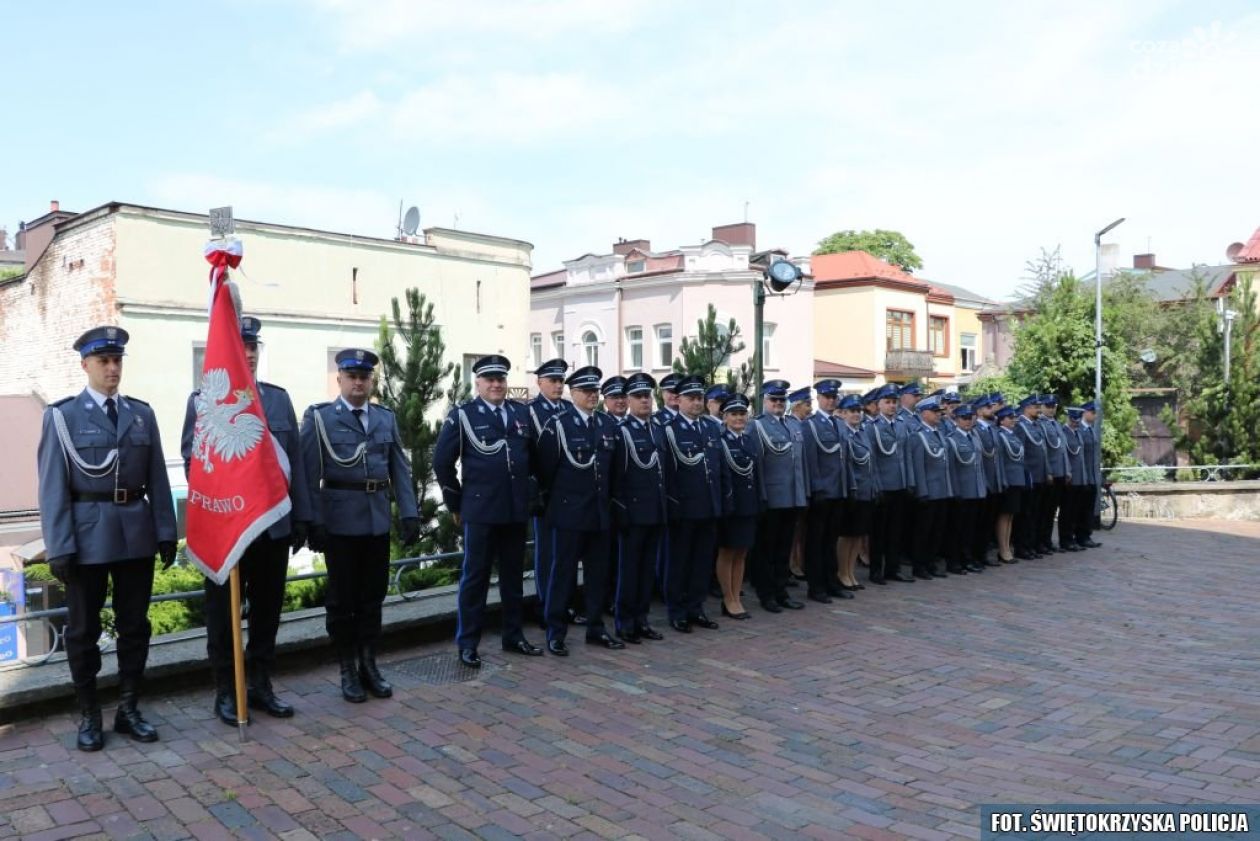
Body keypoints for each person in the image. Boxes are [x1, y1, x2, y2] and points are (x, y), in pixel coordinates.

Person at [37, 326, 177, 751]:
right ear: (86, 365)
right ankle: (89, 715)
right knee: (82, 631)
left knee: (135, 627)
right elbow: (52, 487)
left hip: (136, 534)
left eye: (117, 360)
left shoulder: (141, 414)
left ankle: (129, 709)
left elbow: (158, 477)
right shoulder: (63, 417)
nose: (112, 368)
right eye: (104, 361)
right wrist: (59, 545)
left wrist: (167, 531)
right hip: (86, 539)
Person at [180, 316, 310, 726]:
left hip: (271, 528)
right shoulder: (203, 401)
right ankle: (226, 689)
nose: (249, 354)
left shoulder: (278, 399)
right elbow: (194, 463)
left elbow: (297, 465)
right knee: (222, 616)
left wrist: (301, 518)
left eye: (254, 347)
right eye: (242, 347)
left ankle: (260, 684)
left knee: (268, 612)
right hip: (229, 529)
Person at [301, 349, 419, 702]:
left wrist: (409, 513)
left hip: (376, 521)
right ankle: (347, 669)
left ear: (371, 380)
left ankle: (369, 664)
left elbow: (400, 468)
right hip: (339, 523)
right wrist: (313, 522)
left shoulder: (384, 418)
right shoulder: (321, 418)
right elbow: (309, 475)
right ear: (339, 379)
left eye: (364, 377)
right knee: (342, 601)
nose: (358, 382)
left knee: (373, 597)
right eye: (351, 376)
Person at [434, 355, 542, 669]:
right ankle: (467, 643)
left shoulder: (520, 413)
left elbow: (533, 459)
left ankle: (513, 635)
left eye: (501, 379)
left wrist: (532, 493)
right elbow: (442, 462)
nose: (496, 385)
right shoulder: (463, 415)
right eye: (489, 379)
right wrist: (457, 503)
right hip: (481, 510)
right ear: (478, 383)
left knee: (513, 576)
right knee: (475, 578)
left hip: (513, 510)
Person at [534, 365, 624, 654]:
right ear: (572, 393)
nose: (592, 395)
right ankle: (555, 631)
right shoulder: (558, 425)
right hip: (569, 513)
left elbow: (615, 472)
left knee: (598, 574)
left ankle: (596, 627)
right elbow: (545, 471)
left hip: (599, 513)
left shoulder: (607, 424)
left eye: (594, 391)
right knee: (563, 575)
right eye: (586, 391)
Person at [662, 375, 725, 632]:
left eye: (700, 398)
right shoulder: (669, 429)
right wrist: (674, 504)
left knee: (702, 561)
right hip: (684, 508)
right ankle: (677, 611)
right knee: (679, 562)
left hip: (708, 506)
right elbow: (668, 473)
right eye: (691, 398)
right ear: (679, 400)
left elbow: (716, 468)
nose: (697, 403)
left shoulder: (710, 428)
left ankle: (696, 607)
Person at [609, 372, 669, 643]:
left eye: (648, 396)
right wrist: (621, 510)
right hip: (633, 512)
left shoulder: (657, 429)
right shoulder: (621, 432)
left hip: (655, 510)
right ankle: (625, 622)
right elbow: (616, 477)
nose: (645, 401)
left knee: (647, 570)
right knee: (629, 570)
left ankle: (642, 619)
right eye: (638, 396)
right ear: (629, 400)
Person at [750, 380, 808, 613]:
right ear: (764, 401)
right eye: (774, 399)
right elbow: (758, 466)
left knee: (784, 548)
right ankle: (767, 594)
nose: (778, 404)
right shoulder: (757, 426)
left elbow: (799, 464)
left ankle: (781, 590)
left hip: (792, 497)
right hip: (772, 498)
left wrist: (803, 495)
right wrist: (762, 496)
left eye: (782, 400)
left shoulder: (793, 424)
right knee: (767, 549)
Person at [527, 359, 573, 626]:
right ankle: (546, 603)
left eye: (560, 381)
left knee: (566, 553)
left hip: (570, 493)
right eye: (552, 381)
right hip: (546, 493)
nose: (557, 385)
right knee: (547, 552)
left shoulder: (568, 409)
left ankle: (562, 603)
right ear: (539, 382)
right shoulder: (530, 412)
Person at [800, 380, 850, 603]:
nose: (831, 401)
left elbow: (843, 459)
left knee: (831, 540)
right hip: (822, 492)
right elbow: (810, 460)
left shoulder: (840, 424)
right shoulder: (810, 425)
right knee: (816, 542)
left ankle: (832, 581)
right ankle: (816, 586)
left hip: (838, 490)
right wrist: (816, 488)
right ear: (818, 399)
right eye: (827, 397)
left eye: (834, 397)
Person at [715, 393, 758, 620]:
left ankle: (736, 597)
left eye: (742, 414)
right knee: (728, 551)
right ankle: (728, 597)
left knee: (742, 552)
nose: (739, 418)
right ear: (724, 417)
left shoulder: (748, 440)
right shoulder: (721, 441)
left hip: (748, 504)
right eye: (734, 414)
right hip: (731, 506)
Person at [869, 384, 915, 585]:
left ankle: (892, 568)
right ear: (878, 405)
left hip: (900, 484)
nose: (892, 406)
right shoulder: (872, 427)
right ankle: (876, 570)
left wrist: (910, 481)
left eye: (894, 402)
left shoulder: (902, 425)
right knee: (879, 532)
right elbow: (872, 459)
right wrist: (877, 485)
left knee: (896, 530)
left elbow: (906, 455)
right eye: (887, 402)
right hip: (883, 486)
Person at [908, 397, 954, 579]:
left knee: (937, 530)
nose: (939, 415)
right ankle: (920, 566)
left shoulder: (939, 434)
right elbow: (918, 466)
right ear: (924, 413)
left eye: (940, 412)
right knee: (923, 531)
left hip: (941, 490)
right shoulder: (918, 436)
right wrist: (922, 491)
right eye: (935, 412)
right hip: (928, 491)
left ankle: (931, 562)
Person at [837, 395, 878, 590]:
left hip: (865, 491)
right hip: (852, 491)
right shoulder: (843, 434)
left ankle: (851, 571)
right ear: (842, 413)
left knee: (858, 534)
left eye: (858, 411)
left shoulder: (863, 433)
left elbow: (871, 463)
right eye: (851, 411)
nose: (856, 414)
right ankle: (842, 572)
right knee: (847, 534)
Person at [946, 404, 987, 574]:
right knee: (957, 529)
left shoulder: (975, 437)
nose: (968, 421)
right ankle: (955, 562)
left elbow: (979, 464)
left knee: (972, 527)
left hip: (976, 489)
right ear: (956, 420)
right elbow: (951, 468)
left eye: (970, 418)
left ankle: (968, 558)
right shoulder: (951, 439)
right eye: (964, 418)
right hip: (961, 490)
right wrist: (955, 490)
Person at [1014, 395, 1049, 560]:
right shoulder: (1021, 426)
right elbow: (1019, 454)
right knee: (1026, 515)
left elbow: (1042, 451)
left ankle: (1032, 544)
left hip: (1039, 476)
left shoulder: (1035, 426)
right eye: (1035, 407)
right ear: (1027, 408)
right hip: (1029, 477)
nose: (1039, 410)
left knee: (1036, 513)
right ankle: (1022, 547)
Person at [972, 395, 1004, 568]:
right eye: (987, 407)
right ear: (978, 411)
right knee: (979, 522)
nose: (992, 410)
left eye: (991, 407)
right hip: (982, 483)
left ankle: (983, 554)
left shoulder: (992, 429)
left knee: (988, 522)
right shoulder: (975, 429)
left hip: (994, 482)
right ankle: (976, 555)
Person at [993, 406, 1025, 563]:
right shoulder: (1000, 436)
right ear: (1001, 420)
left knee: (1011, 516)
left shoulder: (1013, 436)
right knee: (1004, 515)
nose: (1013, 420)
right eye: (1009, 418)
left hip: (1017, 480)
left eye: (1013, 417)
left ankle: (1006, 546)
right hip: (1007, 481)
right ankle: (1003, 549)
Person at [1039, 395, 1069, 555]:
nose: (1051, 409)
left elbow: (1062, 450)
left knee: (1052, 511)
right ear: (1042, 407)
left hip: (1060, 473)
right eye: (1048, 406)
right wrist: (1048, 471)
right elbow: (1044, 451)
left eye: (1053, 406)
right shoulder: (1041, 425)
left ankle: (1048, 540)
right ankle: (1042, 541)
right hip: (1050, 474)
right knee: (1045, 510)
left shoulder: (1057, 424)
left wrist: (1067, 470)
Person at [1059, 407, 1089, 552]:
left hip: (1080, 477)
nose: (1076, 423)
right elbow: (1065, 455)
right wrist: (1067, 473)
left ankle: (1072, 538)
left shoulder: (1078, 433)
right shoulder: (1064, 432)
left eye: (1077, 420)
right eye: (1073, 420)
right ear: (1068, 418)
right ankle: (1065, 540)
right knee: (1067, 511)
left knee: (1075, 511)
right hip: (1070, 478)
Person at [1077, 400, 1103, 548]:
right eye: (1092, 412)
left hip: (1092, 476)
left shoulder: (1091, 429)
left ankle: (1086, 535)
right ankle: (1079, 536)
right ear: (1084, 412)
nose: (1095, 416)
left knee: (1088, 508)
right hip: (1082, 476)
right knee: (1080, 508)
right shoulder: (1079, 429)